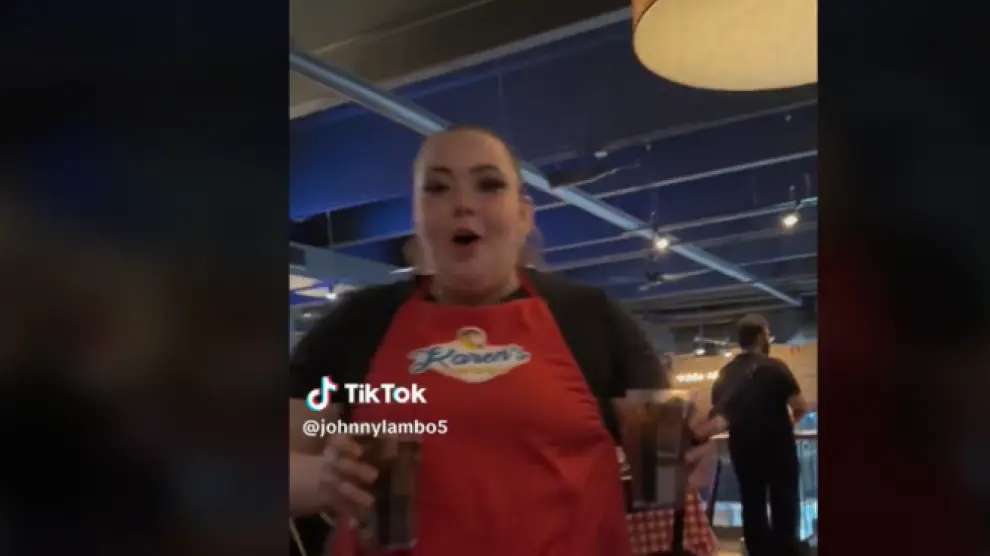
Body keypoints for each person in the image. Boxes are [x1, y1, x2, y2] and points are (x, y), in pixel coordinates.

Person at [289, 125, 721, 556]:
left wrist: (691, 452)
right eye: (437, 188)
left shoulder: (592, 319)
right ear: (416, 217)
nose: (462, 203)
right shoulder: (359, 325)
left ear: (523, 216)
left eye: (489, 185)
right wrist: (324, 478)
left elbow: (666, 467)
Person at [710, 315, 810, 556]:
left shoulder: (726, 373)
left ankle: (758, 551)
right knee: (784, 500)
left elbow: (721, 412)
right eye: (767, 335)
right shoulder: (775, 367)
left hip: (742, 447)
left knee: (751, 500)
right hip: (777, 446)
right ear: (759, 338)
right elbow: (800, 406)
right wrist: (788, 423)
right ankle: (786, 550)